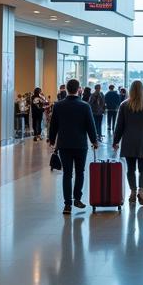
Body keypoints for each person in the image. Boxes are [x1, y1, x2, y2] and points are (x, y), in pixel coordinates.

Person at [48, 78, 98, 214]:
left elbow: (53, 125)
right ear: (78, 89)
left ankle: (67, 205)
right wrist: (94, 140)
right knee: (80, 172)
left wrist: (52, 139)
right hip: (80, 145)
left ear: (67, 89)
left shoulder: (58, 105)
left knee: (67, 174)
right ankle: (77, 198)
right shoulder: (84, 106)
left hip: (64, 144)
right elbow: (90, 126)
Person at [113, 79, 143, 206]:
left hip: (128, 141)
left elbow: (119, 126)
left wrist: (115, 141)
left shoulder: (124, 105)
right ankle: (142, 192)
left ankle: (132, 192)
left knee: (130, 169)